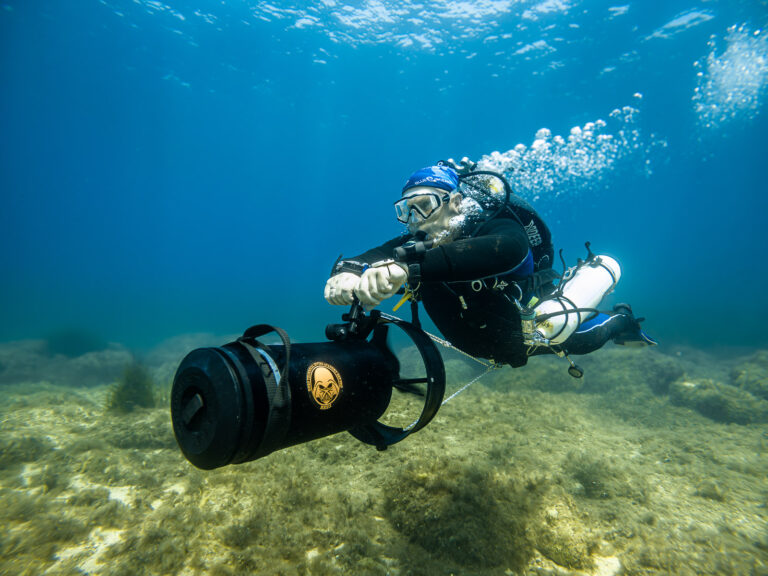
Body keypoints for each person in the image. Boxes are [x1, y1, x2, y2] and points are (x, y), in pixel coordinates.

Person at [324, 162, 655, 371]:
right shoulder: (419, 242)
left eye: (423, 206)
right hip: (484, 341)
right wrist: (348, 270)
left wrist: (405, 270)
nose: (415, 221)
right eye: (406, 211)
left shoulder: (493, 226)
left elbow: (508, 249)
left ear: (455, 202)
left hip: (530, 325)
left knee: (582, 341)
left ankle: (620, 321)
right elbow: (377, 252)